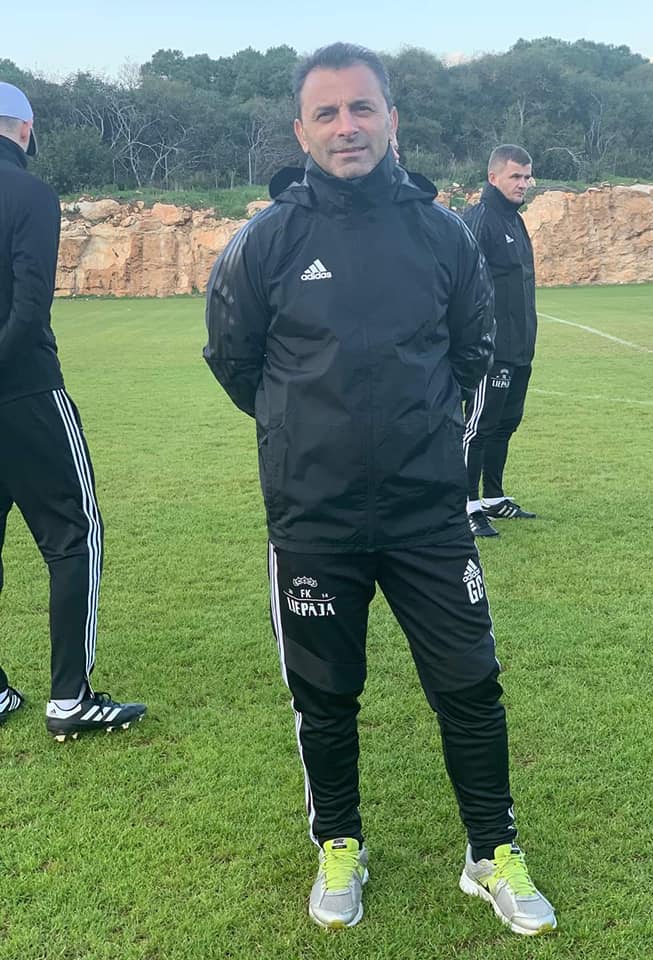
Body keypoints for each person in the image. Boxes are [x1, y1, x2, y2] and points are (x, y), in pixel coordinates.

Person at [204, 44, 556, 935]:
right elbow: (235, 361)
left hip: (426, 512)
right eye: (326, 113)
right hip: (313, 517)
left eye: (362, 108)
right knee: (325, 697)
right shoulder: (266, 240)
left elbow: (472, 351)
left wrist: (421, 439)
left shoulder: (442, 233)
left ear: (392, 119)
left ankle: (492, 851)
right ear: (301, 131)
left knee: (470, 685)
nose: (346, 126)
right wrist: (304, 435)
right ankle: (340, 843)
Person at [0, 82, 146, 740]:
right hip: (26, 391)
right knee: (73, 535)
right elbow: (29, 310)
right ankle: (70, 698)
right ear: (25, 130)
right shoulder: (30, 194)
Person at [461, 145, 538, 538]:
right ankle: (465, 505)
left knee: (506, 424)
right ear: (493, 177)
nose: (523, 183)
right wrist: (475, 341)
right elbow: (462, 284)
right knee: (478, 427)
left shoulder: (515, 221)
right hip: (489, 350)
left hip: (520, 347)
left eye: (526, 176)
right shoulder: (479, 220)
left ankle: (493, 497)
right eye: (515, 176)